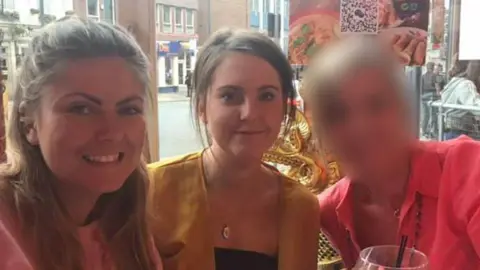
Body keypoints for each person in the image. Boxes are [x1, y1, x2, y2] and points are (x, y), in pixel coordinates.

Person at [302, 36, 480, 269]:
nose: (360, 127)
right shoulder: (328, 213)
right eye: (338, 113)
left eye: (376, 104)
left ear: (404, 110)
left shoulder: (467, 170)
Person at [148, 29, 320, 270]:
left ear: (283, 107)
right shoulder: (151, 189)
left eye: (267, 95)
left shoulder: (301, 207)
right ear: (201, 107)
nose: (250, 113)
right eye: (230, 96)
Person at [0, 17, 163, 269]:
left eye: (128, 110)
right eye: (82, 109)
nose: (111, 132)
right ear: (29, 124)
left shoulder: (125, 217)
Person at [441, 60, 480, 140]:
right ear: (469, 67)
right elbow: (476, 107)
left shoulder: (454, 82)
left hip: (451, 131)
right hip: (461, 132)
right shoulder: (465, 84)